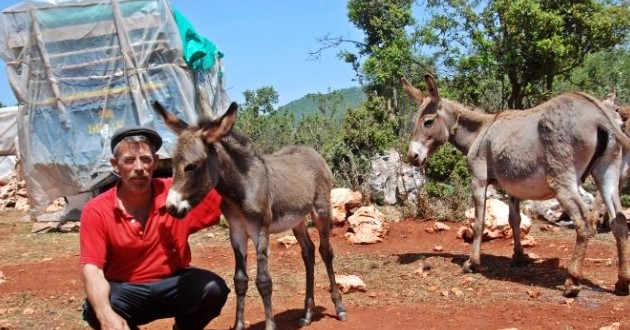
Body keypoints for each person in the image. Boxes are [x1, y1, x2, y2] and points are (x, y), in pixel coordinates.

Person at [79, 126, 229, 330]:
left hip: (173, 284)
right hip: (125, 290)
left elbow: (226, 189)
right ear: (116, 165)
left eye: (146, 159)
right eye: (129, 160)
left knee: (212, 289)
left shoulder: (176, 194)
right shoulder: (96, 210)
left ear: (155, 162)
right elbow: (93, 270)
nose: (139, 167)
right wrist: (106, 316)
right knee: (95, 308)